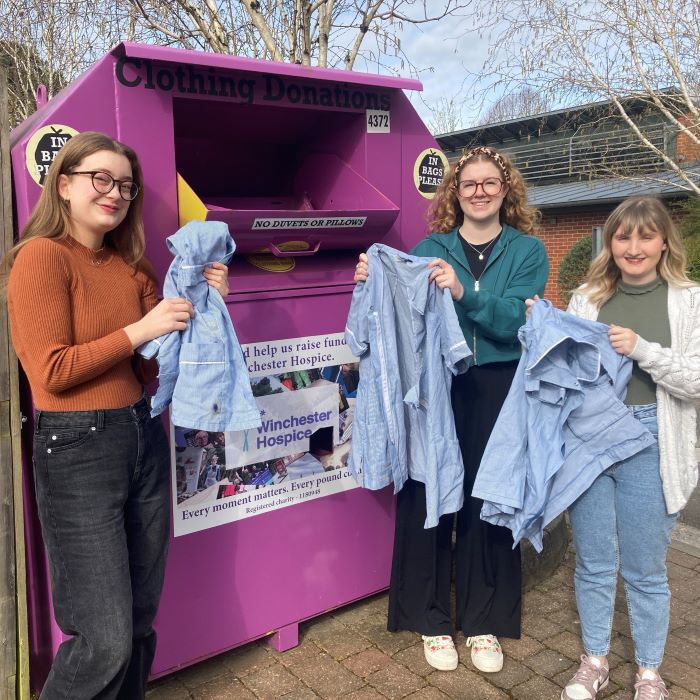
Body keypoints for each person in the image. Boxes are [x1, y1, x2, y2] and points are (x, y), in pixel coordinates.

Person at [3, 131, 229, 699]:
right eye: (99, 179)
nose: (114, 193)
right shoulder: (40, 257)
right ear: (64, 185)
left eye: (125, 185)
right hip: (77, 449)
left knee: (137, 622)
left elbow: (153, 371)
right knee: (103, 638)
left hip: (141, 435)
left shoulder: (133, 271)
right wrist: (140, 329)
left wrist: (201, 303)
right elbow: (50, 372)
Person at [354, 146, 548, 673]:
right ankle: (430, 617)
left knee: (491, 498)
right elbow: (402, 307)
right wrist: (372, 278)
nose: (480, 192)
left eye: (490, 183)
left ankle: (484, 619)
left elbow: (517, 323)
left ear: (506, 191)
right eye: (470, 184)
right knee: (427, 490)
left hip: (500, 388)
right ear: (454, 193)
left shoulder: (528, 251)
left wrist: (463, 293)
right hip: (437, 386)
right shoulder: (430, 246)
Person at [554, 196, 699, 700]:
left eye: (645, 236)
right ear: (609, 242)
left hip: (653, 440)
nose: (633, 247)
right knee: (593, 560)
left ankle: (649, 672)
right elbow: (566, 375)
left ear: (664, 242)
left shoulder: (689, 300)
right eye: (623, 236)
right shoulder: (587, 297)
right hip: (591, 440)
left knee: (644, 567)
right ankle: (594, 661)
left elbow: (697, 380)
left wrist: (641, 350)